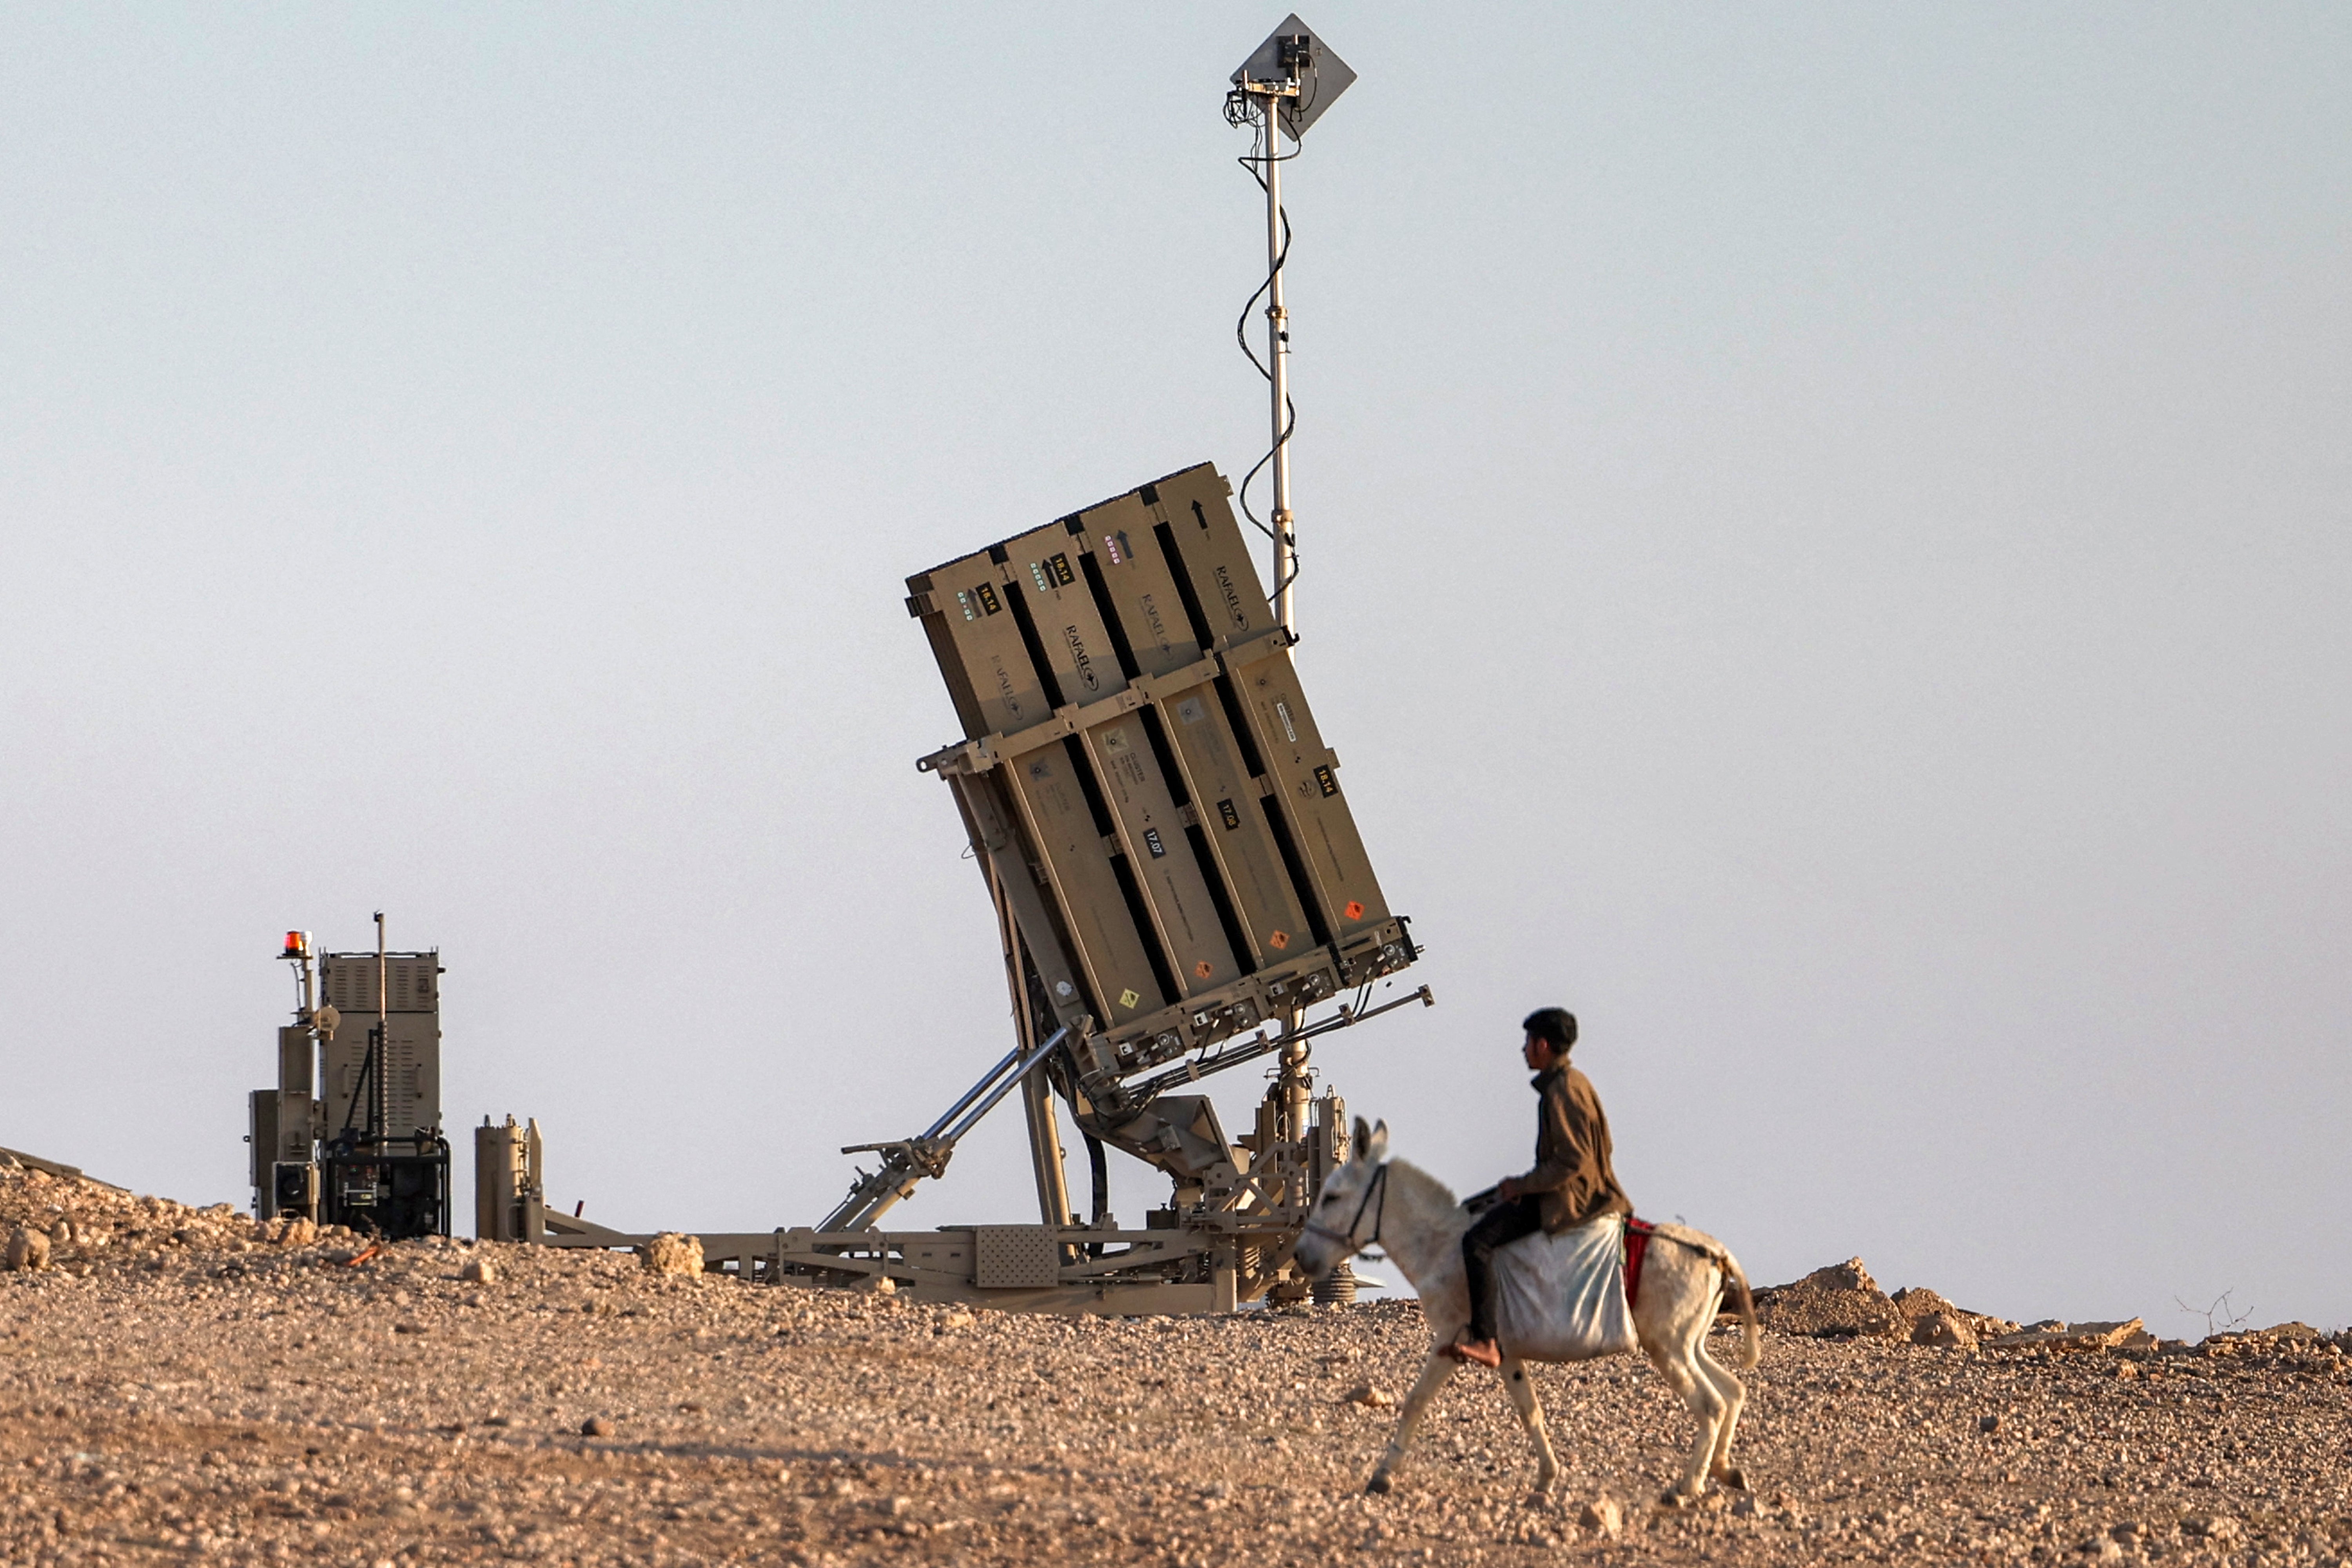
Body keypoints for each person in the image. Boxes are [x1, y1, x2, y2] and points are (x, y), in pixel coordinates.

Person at [1446, 1007, 1632, 1369]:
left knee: (1477, 1241)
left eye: (1528, 1042)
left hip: (1570, 1199)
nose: (1524, 1050)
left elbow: (1571, 1162)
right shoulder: (1575, 1083)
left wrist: (1525, 1185)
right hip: (1579, 1189)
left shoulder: (1562, 1090)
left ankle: (1486, 1339)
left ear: (1543, 1045)